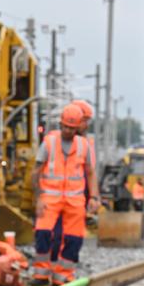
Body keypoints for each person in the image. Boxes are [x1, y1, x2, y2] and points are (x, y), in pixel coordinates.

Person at [32, 102, 98, 270]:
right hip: (50, 199)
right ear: (61, 124)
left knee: (73, 239)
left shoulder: (84, 146)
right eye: (66, 127)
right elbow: (35, 172)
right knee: (44, 234)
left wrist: (94, 197)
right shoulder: (50, 142)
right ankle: (41, 273)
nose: (68, 131)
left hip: (74, 201)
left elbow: (90, 173)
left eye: (72, 127)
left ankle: (63, 276)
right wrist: (38, 198)